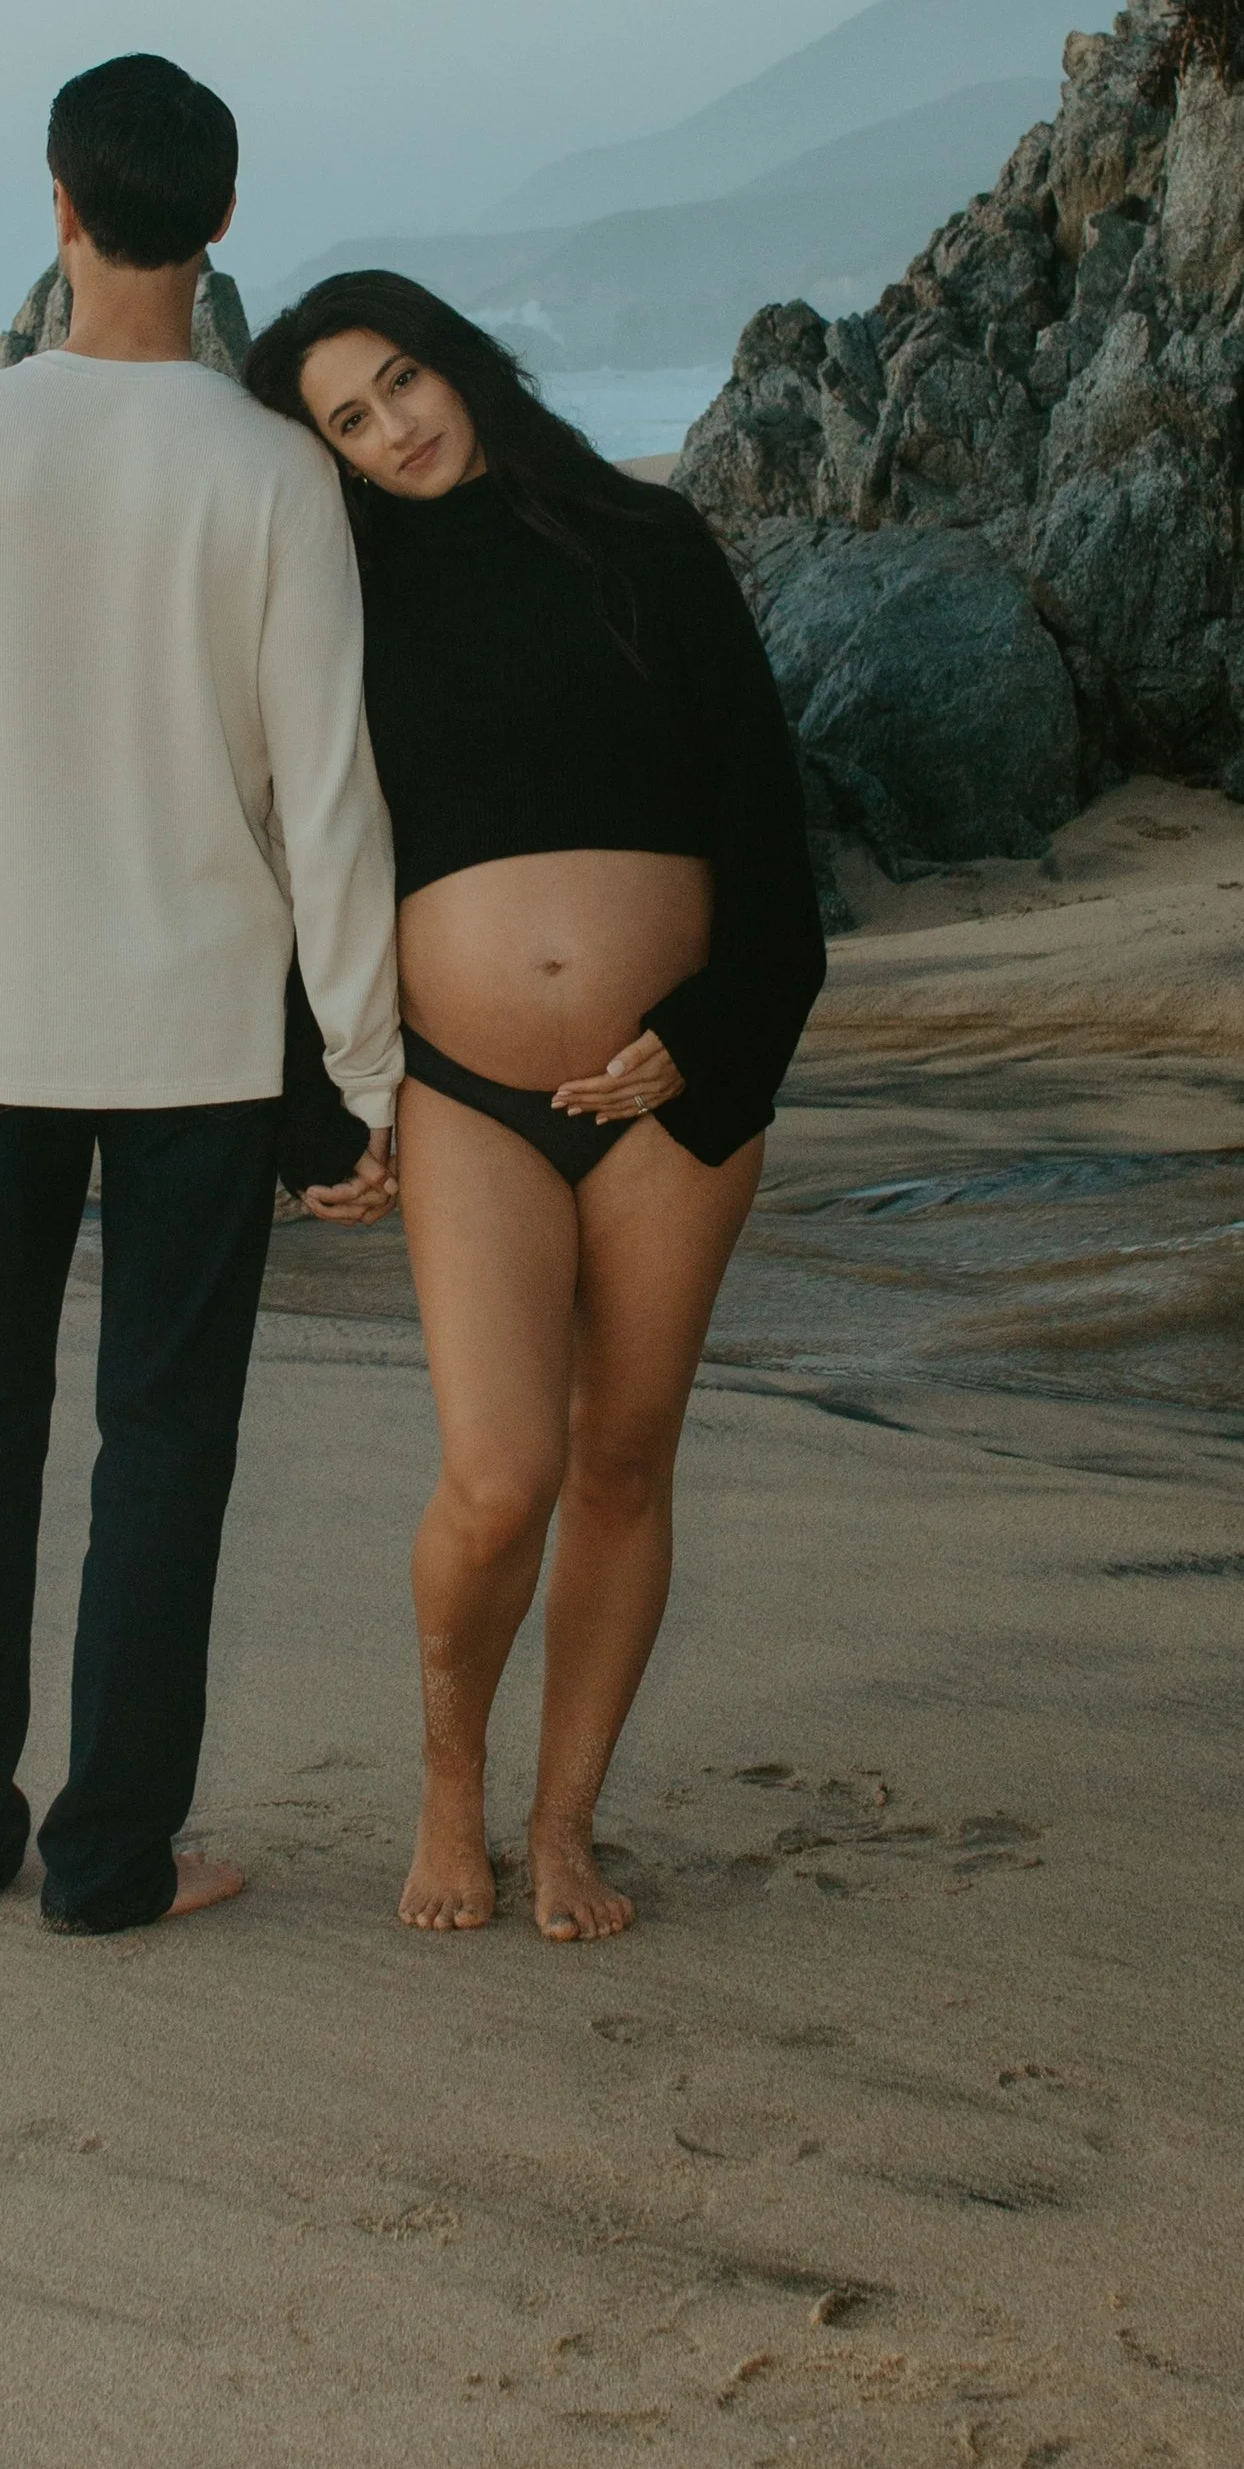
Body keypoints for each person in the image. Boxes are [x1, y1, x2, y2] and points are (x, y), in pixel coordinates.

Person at [0, 58, 400, 1937]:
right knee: (165, 1445)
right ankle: (111, 1858)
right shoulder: (275, 473)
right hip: (204, 1045)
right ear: (221, 225)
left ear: (57, 208)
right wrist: (374, 1074)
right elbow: (329, 806)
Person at [246, 275, 826, 1945]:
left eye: (403, 379)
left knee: (625, 1460)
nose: (395, 427)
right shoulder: (332, 601)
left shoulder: (645, 540)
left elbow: (768, 828)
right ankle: (449, 1789)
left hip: (671, 1087)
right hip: (467, 1088)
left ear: (458, 360)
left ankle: (566, 1825)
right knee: (500, 1475)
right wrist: (310, 1105)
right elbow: (293, 863)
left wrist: (711, 1037)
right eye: (349, 420)